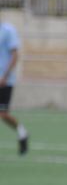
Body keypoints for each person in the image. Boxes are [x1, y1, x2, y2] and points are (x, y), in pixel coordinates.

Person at [0, 16, 29, 155]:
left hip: (4, 81)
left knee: (3, 114)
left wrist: (5, 76)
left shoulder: (8, 31)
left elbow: (15, 55)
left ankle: (22, 132)